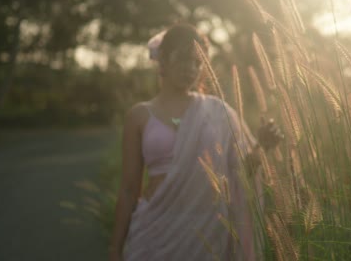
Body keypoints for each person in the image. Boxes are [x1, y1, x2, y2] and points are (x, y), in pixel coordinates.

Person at [109, 23, 282, 261]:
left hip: (206, 234)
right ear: (163, 60)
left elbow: (241, 172)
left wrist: (262, 146)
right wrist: (115, 250)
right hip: (154, 230)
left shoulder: (217, 111)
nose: (190, 68)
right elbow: (129, 190)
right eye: (182, 58)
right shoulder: (139, 115)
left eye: (197, 62)